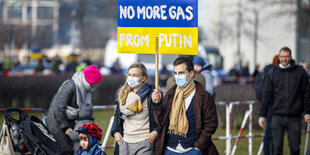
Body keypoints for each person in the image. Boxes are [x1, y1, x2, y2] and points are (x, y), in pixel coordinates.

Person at [152, 57, 219, 155]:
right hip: (170, 149)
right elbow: (161, 121)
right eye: (175, 73)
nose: (178, 76)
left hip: (193, 150)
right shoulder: (170, 95)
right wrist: (157, 104)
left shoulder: (204, 97)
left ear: (191, 73)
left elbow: (211, 124)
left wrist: (198, 147)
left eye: (181, 73)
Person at [258, 47, 310, 155]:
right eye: (282, 56)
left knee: (295, 149)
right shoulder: (272, 73)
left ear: (291, 57)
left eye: (286, 56)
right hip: (277, 116)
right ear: (279, 57)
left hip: (294, 116)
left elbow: (306, 93)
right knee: (276, 148)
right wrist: (262, 115)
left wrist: (307, 112)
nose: (284, 59)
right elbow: (266, 96)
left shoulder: (300, 72)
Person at [46, 65, 103, 153]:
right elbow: (59, 108)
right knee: (65, 150)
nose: (97, 84)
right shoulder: (70, 86)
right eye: (96, 82)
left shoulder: (86, 89)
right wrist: (66, 128)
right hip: (57, 123)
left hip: (70, 121)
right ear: (90, 81)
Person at [110, 63, 160, 155]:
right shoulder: (123, 93)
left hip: (144, 142)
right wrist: (115, 132)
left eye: (135, 75)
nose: (131, 77)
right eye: (129, 75)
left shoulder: (152, 94)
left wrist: (156, 131)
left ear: (143, 78)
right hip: (125, 141)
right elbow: (117, 116)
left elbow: (162, 117)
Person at [255, 55, 278, 155]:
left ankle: (267, 152)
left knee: (269, 132)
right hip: (273, 105)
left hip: (266, 104)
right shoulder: (274, 72)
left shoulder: (264, 71)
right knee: (273, 133)